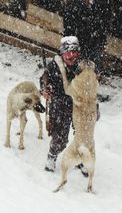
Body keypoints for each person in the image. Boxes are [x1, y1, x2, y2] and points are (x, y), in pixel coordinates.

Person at [40, 36, 88, 176]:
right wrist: (45, 89)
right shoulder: (54, 66)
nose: (71, 55)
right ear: (62, 53)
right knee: (60, 137)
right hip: (59, 104)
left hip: (77, 103)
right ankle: (52, 156)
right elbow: (44, 80)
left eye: (75, 52)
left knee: (82, 134)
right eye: (68, 52)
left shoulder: (82, 66)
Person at [63, 0, 107, 74]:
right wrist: (70, 49)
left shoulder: (97, 7)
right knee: (76, 74)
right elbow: (68, 29)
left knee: (93, 73)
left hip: (93, 45)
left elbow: (101, 26)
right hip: (77, 45)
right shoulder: (72, 7)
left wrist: (101, 42)